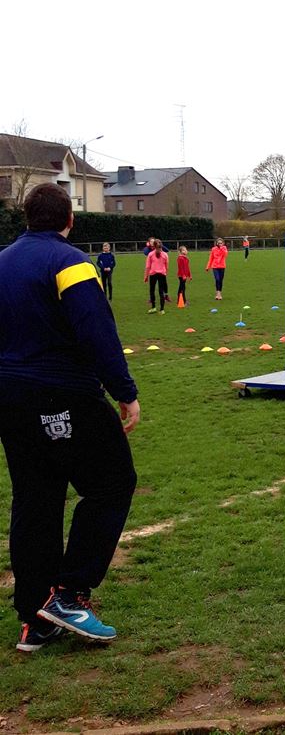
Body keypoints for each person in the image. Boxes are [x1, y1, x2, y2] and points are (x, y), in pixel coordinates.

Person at [0, 183, 140, 652]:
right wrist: (125, 392)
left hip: (10, 399)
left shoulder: (1, 261)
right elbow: (96, 331)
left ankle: (34, 619)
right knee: (112, 483)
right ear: (70, 220)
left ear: (25, 217)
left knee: (35, 499)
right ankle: (68, 594)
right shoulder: (71, 263)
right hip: (64, 394)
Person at [144, 239, 169, 314]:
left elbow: (148, 266)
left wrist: (146, 276)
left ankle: (153, 307)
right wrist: (165, 273)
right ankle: (162, 309)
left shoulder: (150, 254)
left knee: (152, 290)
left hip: (153, 274)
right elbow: (166, 266)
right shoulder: (165, 255)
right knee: (161, 291)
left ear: (153, 246)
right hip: (162, 274)